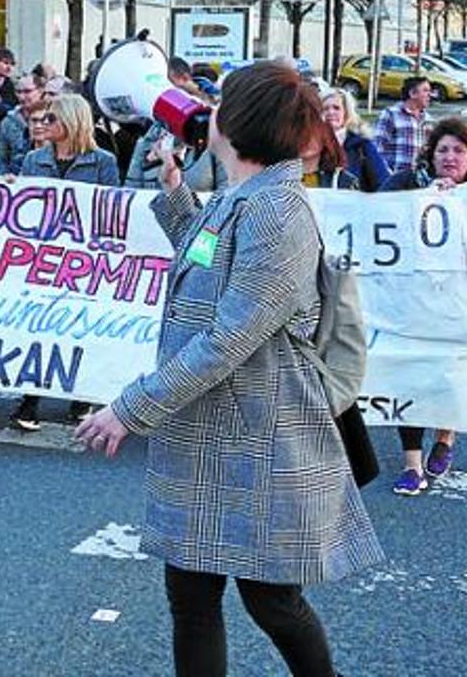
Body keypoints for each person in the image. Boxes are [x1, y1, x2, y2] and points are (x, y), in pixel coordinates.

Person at [75, 61, 383, 677]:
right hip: (216, 429)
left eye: (220, 102)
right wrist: (176, 197)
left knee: (271, 598)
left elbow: (229, 335)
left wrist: (128, 410)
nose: (206, 109)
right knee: (192, 599)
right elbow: (217, 264)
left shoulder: (276, 210)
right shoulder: (247, 196)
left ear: (237, 123)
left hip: (257, 434)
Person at [6, 95, 119, 431]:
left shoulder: (102, 162)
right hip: (42, 257)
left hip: (85, 259)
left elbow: (113, 210)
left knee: (81, 327)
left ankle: (81, 396)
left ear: (73, 122)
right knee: (38, 328)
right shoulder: (33, 159)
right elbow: (22, 209)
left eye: (52, 119)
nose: (43, 124)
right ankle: (29, 401)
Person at [380, 117, 467, 495]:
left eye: (459, 150)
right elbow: (374, 217)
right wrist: (423, 202)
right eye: (443, 149)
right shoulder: (406, 183)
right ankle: (412, 465)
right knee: (411, 378)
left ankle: (446, 438)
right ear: (430, 154)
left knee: (452, 378)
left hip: (460, 304)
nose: (449, 157)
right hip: (413, 303)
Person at [321, 87, 390, 192]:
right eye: (325, 108)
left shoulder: (363, 146)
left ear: (346, 113)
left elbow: (383, 184)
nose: (331, 112)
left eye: (336, 108)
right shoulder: (311, 146)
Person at [374, 75, 431, 172]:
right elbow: (377, 148)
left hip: (417, 179)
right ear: (412, 93)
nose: (429, 95)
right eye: (425, 90)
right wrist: (385, 173)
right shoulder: (390, 114)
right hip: (394, 178)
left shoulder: (428, 119)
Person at [0, 73, 44, 176]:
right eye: (18, 92)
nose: (22, 97)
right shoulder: (8, 122)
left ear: (40, 90)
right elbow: (2, 159)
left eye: (27, 91)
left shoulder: (52, 118)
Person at [300, 120, 359, 190]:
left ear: (325, 138)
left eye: (313, 134)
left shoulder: (345, 182)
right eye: (300, 134)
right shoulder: (284, 176)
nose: (306, 139)